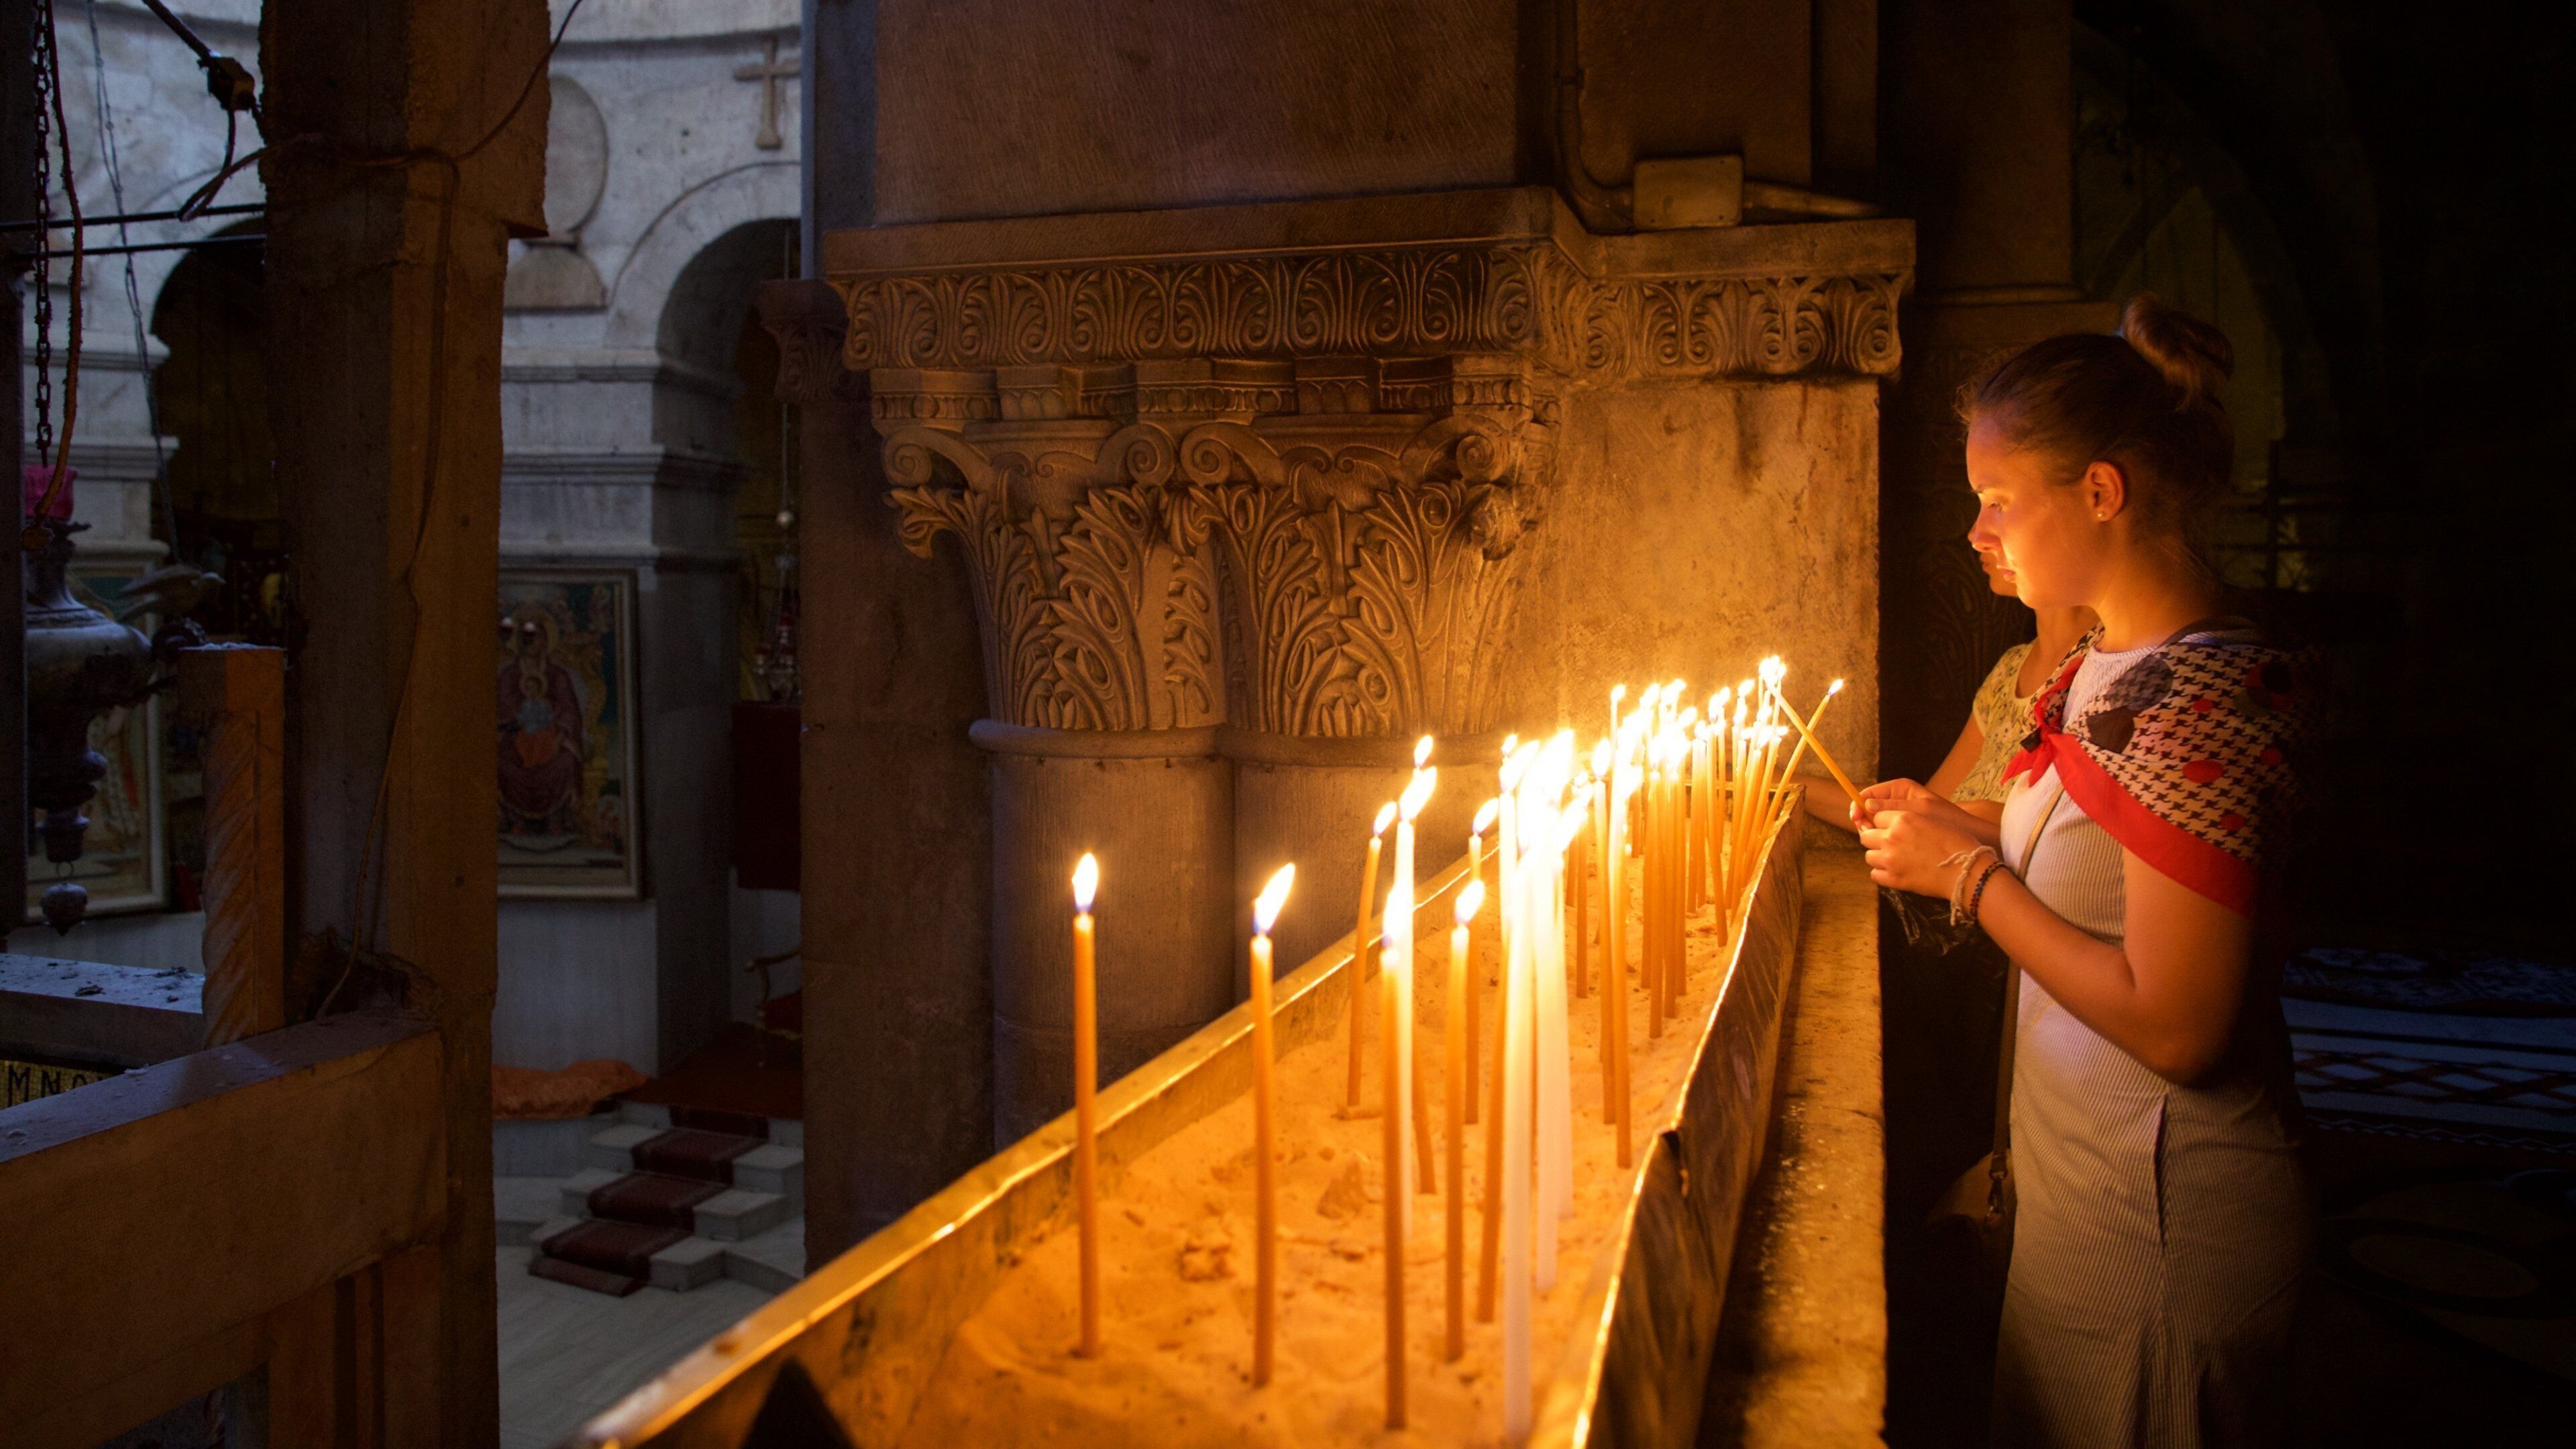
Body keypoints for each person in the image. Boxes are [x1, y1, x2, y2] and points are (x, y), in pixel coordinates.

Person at [1856, 295, 2312, 1448]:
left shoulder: (2202, 699)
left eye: (1999, 500)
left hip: (2170, 1216)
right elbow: (2073, 865)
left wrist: (1970, 884)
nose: (1977, 531)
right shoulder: (2103, 667)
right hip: (2083, 1188)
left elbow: (2179, 1026)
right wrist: (1948, 832)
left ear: (2100, 491)